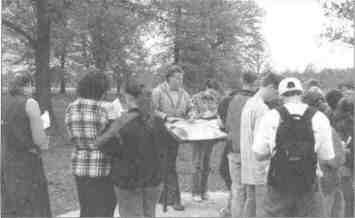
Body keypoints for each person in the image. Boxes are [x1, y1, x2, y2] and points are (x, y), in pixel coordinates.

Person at [253, 77, 336, 217]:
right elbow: (327, 157)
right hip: (308, 181)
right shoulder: (319, 117)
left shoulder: (271, 116)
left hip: (278, 182)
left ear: (281, 96)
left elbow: (259, 155)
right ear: (301, 93)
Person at [95, 78, 163, 218]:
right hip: (153, 179)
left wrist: (109, 121)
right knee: (149, 214)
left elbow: (101, 144)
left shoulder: (121, 123)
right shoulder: (158, 121)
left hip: (128, 180)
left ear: (129, 97)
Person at [65, 71, 116, 217]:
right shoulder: (103, 109)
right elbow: (111, 138)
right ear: (100, 89)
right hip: (102, 164)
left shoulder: (70, 107)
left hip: (79, 163)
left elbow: (71, 134)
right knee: (105, 208)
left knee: (86, 207)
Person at [1, 74, 51, 217]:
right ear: (26, 85)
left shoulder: (3, 103)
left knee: (11, 205)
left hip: (7, 161)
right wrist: (44, 134)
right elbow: (39, 140)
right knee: (34, 206)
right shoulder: (30, 103)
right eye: (32, 85)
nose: (33, 89)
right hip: (28, 162)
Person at [238, 72, 283, 217]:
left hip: (247, 161)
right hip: (260, 166)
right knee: (263, 206)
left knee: (250, 201)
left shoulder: (249, 104)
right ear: (270, 87)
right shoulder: (262, 110)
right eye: (277, 92)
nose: (276, 97)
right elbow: (262, 142)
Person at [152, 64, 192, 211]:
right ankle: (175, 199)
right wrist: (165, 116)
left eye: (182, 78)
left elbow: (190, 108)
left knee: (168, 165)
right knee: (168, 165)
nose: (180, 81)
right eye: (177, 78)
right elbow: (151, 110)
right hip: (161, 133)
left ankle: (165, 196)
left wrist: (191, 114)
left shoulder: (184, 94)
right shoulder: (157, 92)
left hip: (176, 134)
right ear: (169, 78)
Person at [303, 88, 346, 217]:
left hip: (303, 181)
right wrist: (342, 149)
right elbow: (336, 160)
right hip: (327, 182)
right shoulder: (326, 127)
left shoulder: (294, 125)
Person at [221, 71, 258, 217]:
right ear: (256, 83)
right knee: (252, 191)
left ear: (242, 80)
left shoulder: (229, 100)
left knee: (237, 189)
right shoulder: (258, 102)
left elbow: (225, 125)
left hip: (233, 148)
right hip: (251, 150)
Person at [188, 79, 221, 202]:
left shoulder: (215, 99)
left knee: (207, 164)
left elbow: (218, 113)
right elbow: (190, 112)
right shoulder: (196, 98)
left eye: (214, 93)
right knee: (197, 163)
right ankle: (195, 192)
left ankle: (204, 190)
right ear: (206, 87)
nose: (212, 95)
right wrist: (199, 115)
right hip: (197, 134)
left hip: (210, 134)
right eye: (210, 91)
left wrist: (214, 115)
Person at [333, 95, 354, 217]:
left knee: (346, 198)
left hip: (344, 163)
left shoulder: (336, 122)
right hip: (345, 163)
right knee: (348, 197)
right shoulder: (344, 124)